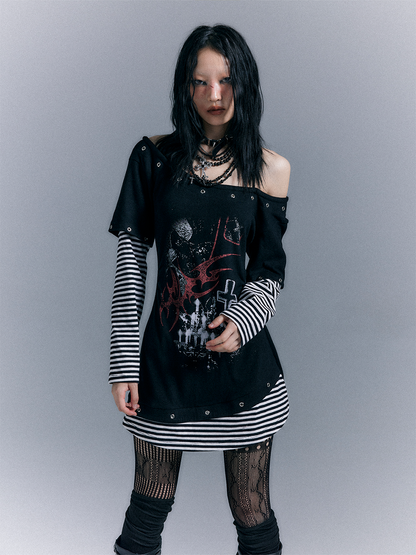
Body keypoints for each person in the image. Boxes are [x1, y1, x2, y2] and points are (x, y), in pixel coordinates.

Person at [109, 24, 291, 555]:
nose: (215, 95)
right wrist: (123, 362)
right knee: (147, 508)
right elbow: (130, 266)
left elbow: (269, 271)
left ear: (245, 83)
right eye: (200, 82)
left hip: (244, 374)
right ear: (184, 87)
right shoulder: (152, 157)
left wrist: (244, 321)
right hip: (164, 368)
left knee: (252, 510)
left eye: (227, 80)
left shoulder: (271, 169)